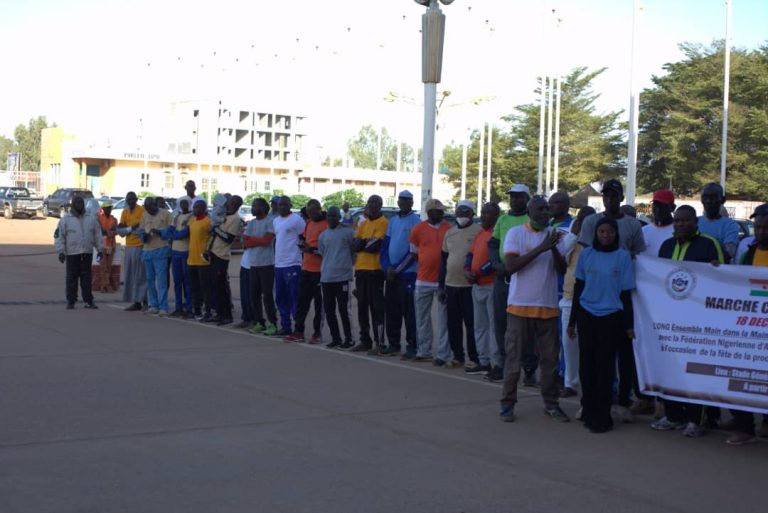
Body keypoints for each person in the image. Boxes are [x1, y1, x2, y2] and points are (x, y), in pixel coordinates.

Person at [651, 205, 725, 438]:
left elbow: (724, 277)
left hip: (700, 320)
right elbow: (657, 277)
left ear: (696, 221)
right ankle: (673, 415)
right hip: (671, 320)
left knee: (697, 371)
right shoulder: (667, 246)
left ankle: (698, 419)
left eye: (686, 220)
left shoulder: (709, 244)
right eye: (678, 220)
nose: (682, 224)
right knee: (671, 367)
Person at [578, 179, 647, 420]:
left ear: (620, 197)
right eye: (606, 195)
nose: (610, 199)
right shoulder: (590, 222)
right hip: (595, 301)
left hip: (623, 298)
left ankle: (621, 401)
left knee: (623, 355)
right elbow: (588, 259)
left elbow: (640, 256)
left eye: (614, 195)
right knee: (593, 357)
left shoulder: (632, 224)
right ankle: (591, 402)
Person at [499, 196, 569, 423]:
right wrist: (541, 248)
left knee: (550, 362)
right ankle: (507, 405)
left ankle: (551, 404)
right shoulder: (516, 233)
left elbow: (562, 270)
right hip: (519, 308)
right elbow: (511, 266)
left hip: (548, 308)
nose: (544, 212)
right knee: (513, 361)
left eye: (547, 209)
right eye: (539, 209)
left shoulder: (555, 236)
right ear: (529, 212)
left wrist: (554, 248)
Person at [568, 217, 635, 433]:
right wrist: (572, 321)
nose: (606, 236)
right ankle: (587, 409)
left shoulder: (622, 257)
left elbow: (626, 294)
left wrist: (628, 325)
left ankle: (602, 415)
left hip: (611, 317)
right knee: (586, 366)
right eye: (602, 232)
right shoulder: (586, 255)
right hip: (587, 315)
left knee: (605, 368)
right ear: (596, 234)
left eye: (610, 232)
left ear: (616, 234)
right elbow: (579, 288)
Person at [728, 208, 768, 444]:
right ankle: (745, 427)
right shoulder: (748, 253)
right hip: (750, 329)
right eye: (759, 227)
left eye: (766, 228)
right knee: (741, 377)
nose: (762, 232)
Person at [487, 184, 532, 383]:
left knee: (526, 326)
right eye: (512, 197)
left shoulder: (531, 219)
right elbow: (493, 243)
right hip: (502, 278)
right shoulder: (503, 219)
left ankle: (529, 368)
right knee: (501, 324)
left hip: (524, 278)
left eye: (519, 197)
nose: (514, 200)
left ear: (527, 199)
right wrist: (496, 263)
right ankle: (502, 365)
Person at [439, 200, 482, 371]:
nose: (462, 216)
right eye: (459, 212)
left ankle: (475, 357)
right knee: (453, 323)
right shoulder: (450, 232)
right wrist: (441, 286)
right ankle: (458, 356)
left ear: (472, 214)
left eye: (465, 212)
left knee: (472, 324)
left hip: (469, 286)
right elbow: (444, 261)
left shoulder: (478, 232)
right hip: (451, 284)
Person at [559, 206, 595, 399]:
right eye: (580, 219)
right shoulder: (572, 239)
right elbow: (561, 254)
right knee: (569, 342)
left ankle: (588, 384)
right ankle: (570, 383)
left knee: (589, 345)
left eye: (587, 220)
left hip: (593, 300)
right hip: (570, 296)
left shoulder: (600, 239)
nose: (583, 223)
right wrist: (573, 235)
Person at [410, 199, 452, 364]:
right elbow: (413, 252)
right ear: (429, 212)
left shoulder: (449, 228)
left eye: (442, 211)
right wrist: (425, 262)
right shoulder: (418, 229)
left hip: (443, 281)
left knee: (443, 318)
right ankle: (424, 350)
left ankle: (442, 354)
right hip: (423, 280)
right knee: (422, 318)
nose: (441, 213)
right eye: (437, 211)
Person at [380, 190, 420, 359]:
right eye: (401, 200)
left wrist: (397, 269)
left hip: (407, 274)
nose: (403, 203)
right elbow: (385, 246)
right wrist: (387, 267)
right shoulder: (393, 221)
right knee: (392, 310)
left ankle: (412, 345)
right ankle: (394, 344)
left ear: (412, 202)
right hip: (391, 275)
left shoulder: (415, 222)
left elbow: (413, 252)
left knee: (409, 312)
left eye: (407, 200)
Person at [466, 202, 502, 375]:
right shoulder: (481, 233)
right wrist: (467, 270)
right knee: (480, 325)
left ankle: (497, 363)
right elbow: (471, 254)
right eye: (482, 212)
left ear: (496, 215)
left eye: (487, 213)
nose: (483, 216)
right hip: (477, 285)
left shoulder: (498, 232)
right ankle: (483, 360)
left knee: (494, 326)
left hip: (491, 284)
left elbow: (496, 259)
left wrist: (479, 272)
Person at [350, 195, 388, 354]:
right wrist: (365, 243)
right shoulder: (363, 223)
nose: (371, 205)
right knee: (362, 308)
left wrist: (363, 243)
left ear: (380, 205)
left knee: (377, 308)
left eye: (374, 203)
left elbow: (375, 245)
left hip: (375, 271)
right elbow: (354, 245)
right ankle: (365, 341)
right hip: (361, 270)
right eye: (369, 202)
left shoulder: (384, 223)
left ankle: (379, 343)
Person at [287, 199, 328, 343]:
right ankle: (299, 331)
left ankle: (317, 333)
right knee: (302, 302)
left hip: (320, 271)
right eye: (308, 213)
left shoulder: (327, 225)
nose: (310, 215)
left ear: (319, 209)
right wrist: (303, 244)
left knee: (319, 304)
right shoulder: (309, 223)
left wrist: (312, 250)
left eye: (313, 212)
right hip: (306, 268)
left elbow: (327, 250)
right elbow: (305, 239)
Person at [54, 195, 104, 309]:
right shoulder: (65, 219)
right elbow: (59, 236)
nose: (80, 205)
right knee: (71, 278)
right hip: (72, 253)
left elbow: (97, 235)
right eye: (77, 203)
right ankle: (71, 301)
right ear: (73, 205)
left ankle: (88, 301)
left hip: (87, 253)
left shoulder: (91, 218)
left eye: (81, 203)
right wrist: (60, 251)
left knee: (86, 278)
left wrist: (100, 249)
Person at [318, 206, 356, 349]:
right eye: (329, 216)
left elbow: (354, 250)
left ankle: (349, 338)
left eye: (334, 216)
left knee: (344, 310)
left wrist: (348, 265)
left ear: (338, 217)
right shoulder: (323, 235)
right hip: (326, 277)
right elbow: (323, 252)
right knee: (329, 310)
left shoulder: (348, 232)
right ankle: (336, 338)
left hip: (342, 278)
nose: (331, 218)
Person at [243, 198, 278, 336]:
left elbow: (267, 241)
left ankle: (273, 323)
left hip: (267, 264)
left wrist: (254, 240)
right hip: (254, 264)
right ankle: (260, 322)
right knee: (254, 295)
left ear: (263, 207)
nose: (252, 208)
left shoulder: (270, 221)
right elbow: (245, 242)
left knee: (267, 295)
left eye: (255, 205)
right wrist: (257, 240)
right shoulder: (251, 223)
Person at [208, 195, 243, 325]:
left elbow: (228, 238)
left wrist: (215, 229)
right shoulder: (225, 215)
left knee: (222, 288)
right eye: (229, 202)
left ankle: (227, 315)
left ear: (237, 205)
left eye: (232, 203)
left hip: (222, 255)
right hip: (214, 253)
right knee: (215, 287)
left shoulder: (235, 219)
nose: (229, 205)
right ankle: (219, 313)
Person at [273, 196, 306, 336]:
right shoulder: (275, 221)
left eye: (285, 205)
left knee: (294, 297)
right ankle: (285, 326)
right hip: (278, 264)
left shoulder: (297, 220)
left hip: (293, 263)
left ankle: (298, 329)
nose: (281, 207)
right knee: (281, 297)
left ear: (290, 205)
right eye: (279, 205)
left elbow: (303, 238)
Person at [139, 197, 172, 316]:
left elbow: (171, 231)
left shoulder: (166, 214)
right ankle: (154, 305)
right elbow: (141, 231)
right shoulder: (144, 215)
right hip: (147, 251)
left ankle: (163, 307)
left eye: (151, 207)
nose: (150, 210)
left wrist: (160, 232)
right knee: (150, 280)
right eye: (147, 208)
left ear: (155, 204)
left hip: (161, 250)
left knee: (161, 280)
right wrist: (144, 237)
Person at [162, 196, 193, 318]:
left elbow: (184, 234)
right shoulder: (177, 216)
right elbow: (170, 232)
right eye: (182, 203)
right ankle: (178, 307)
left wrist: (174, 234)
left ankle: (189, 307)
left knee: (187, 282)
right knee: (177, 282)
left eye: (186, 203)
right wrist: (176, 234)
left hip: (186, 251)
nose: (184, 206)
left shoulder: (191, 217)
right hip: (175, 251)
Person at [117, 191, 147, 311]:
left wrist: (128, 230)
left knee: (140, 275)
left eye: (132, 199)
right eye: (128, 199)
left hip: (140, 246)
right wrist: (130, 228)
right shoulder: (125, 212)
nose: (130, 201)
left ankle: (145, 300)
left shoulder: (142, 211)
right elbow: (120, 231)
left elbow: (141, 230)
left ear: (136, 199)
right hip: (128, 247)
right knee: (130, 275)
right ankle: (136, 302)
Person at [186, 199, 213, 321]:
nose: (195, 209)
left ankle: (207, 311)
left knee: (205, 288)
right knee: (194, 287)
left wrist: (208, 252)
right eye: (194, 207)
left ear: (203, 209)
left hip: (203, 261)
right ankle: (196, 310)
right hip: (191, 260)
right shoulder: (192, 221)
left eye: (197, 207)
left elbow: (212, 238)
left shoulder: (208, 222)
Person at [699, 182, 739, 262]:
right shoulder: (694, 221)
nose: (708, 201)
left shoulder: (730, 225)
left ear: (723, 200)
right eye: (705, 197)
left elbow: (729, 253)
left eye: (713, 197)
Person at [642, 190, 676, 258]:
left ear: (672, 208)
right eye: (655, 204)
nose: (657, 209)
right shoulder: (643, 231)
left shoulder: (679, 231)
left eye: (662, 205)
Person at [98, 201, 118, 293]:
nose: (109, 209)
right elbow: (100, 232)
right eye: (107, 208)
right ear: (103, 209)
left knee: (109, 267)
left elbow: (115, 231)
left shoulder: (113, 219)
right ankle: (104, 285)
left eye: (110, 208)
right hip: (102, 246)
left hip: (111, 245)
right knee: (103, 267)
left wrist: (107, 232)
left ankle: (106, 285)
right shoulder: (99, 219)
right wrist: (109, 232)